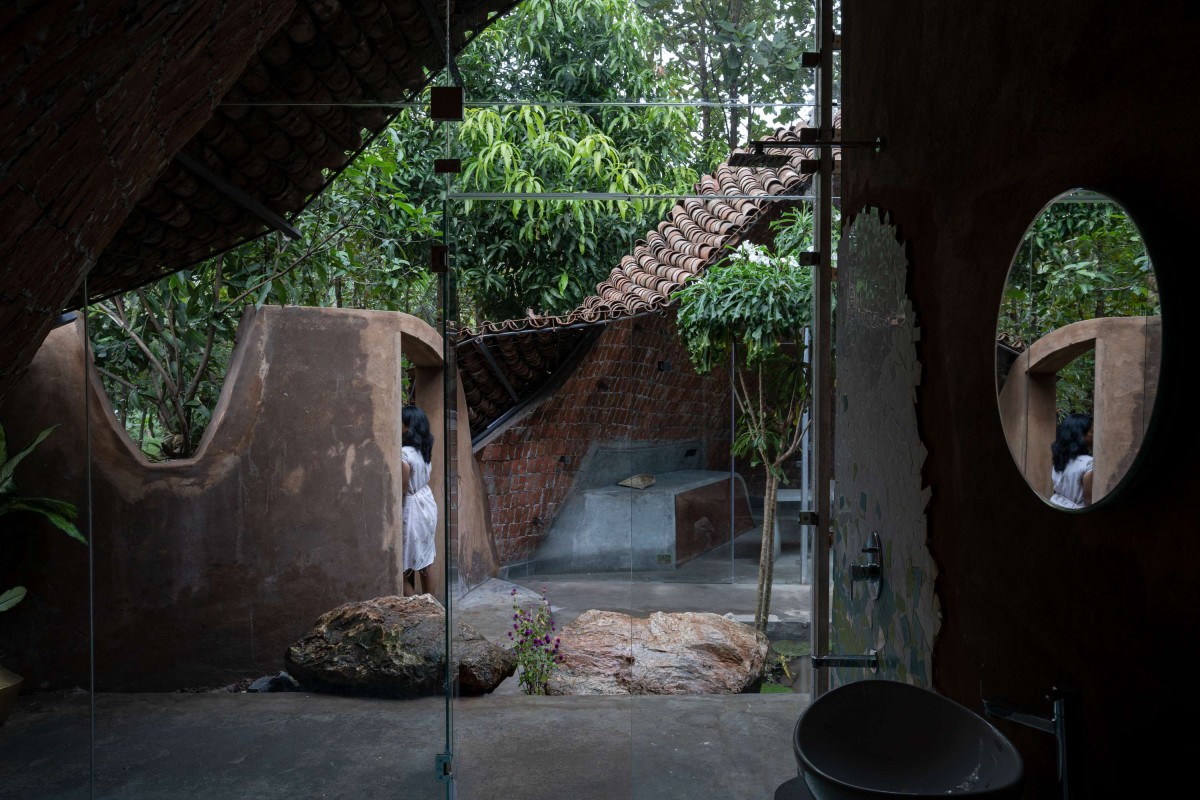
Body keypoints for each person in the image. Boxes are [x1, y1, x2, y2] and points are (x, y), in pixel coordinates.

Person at [401, 405, 437, 595]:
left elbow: (402, 489)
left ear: (408, 426)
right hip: (427, 504)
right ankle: (432, 608)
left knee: (399, 569)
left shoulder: (404, 454)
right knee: (426, 561)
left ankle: (419, 611)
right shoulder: (423, 450)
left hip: (412, 508)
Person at [1049, 412, 1094, 509]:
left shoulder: (1060, 460)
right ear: (1081, 435)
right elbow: (1089, 501)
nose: (1094, 436)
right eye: (1092, 432)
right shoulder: (1089, 463)